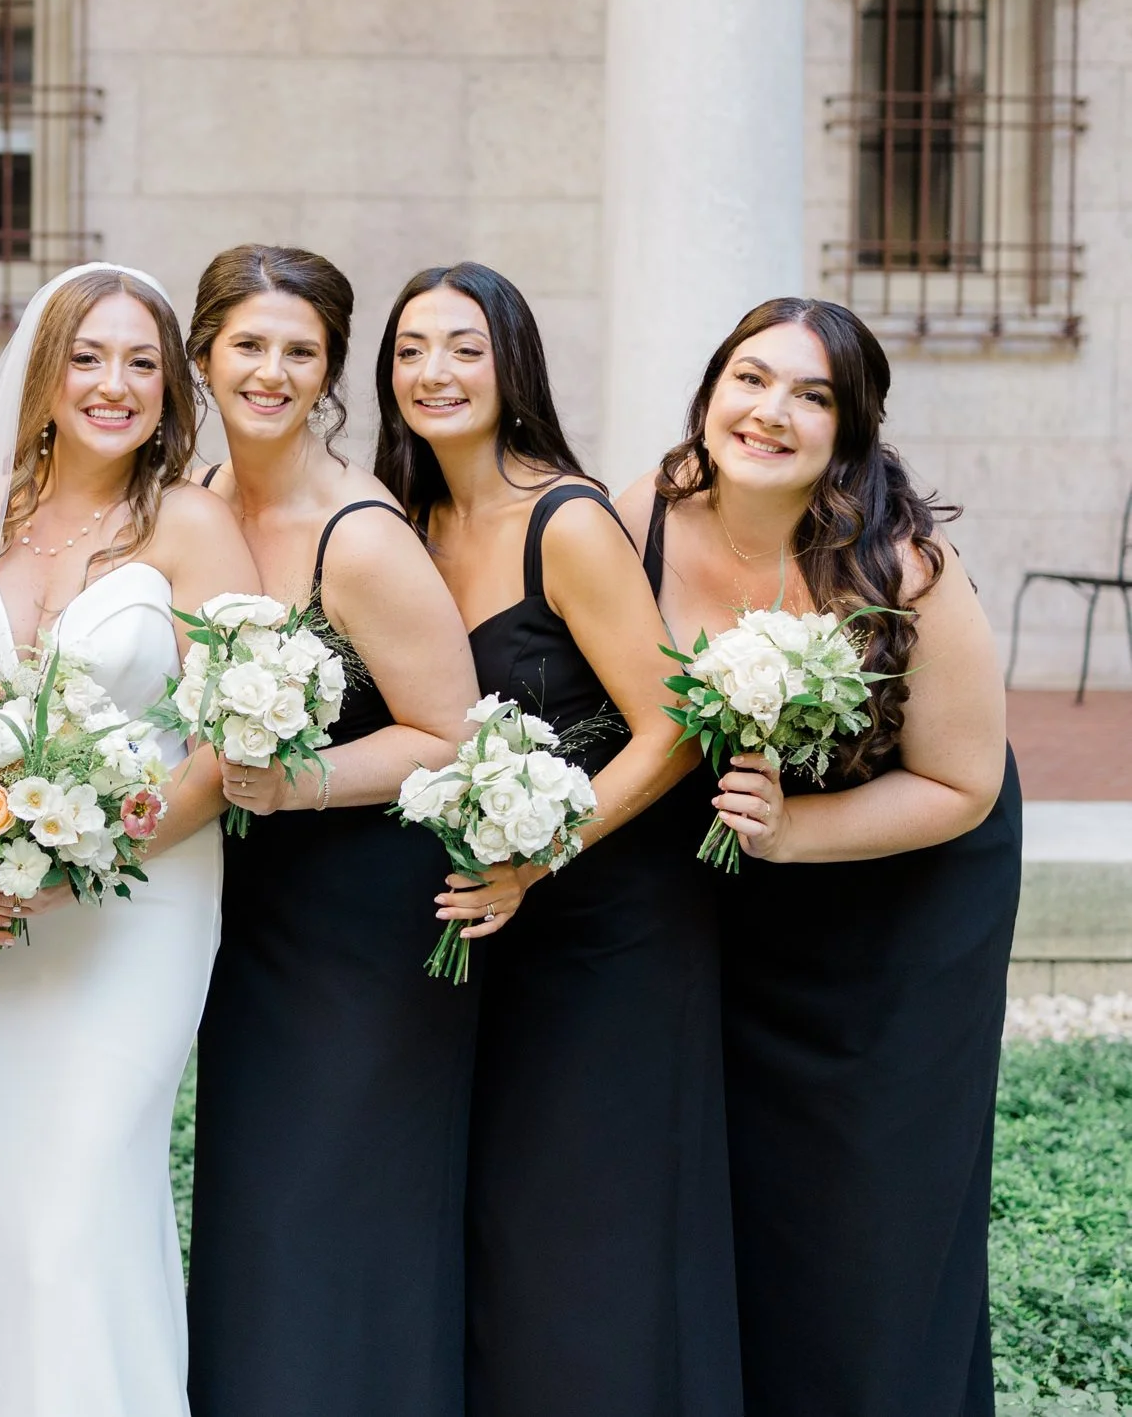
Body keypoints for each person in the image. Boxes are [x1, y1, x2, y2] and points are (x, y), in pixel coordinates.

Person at [617, 297, 1017, 1417]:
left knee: (869, 1210)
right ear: (709, 392)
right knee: (739, 1187)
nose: (770, 411)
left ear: (850, 428)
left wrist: (796, 832)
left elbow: (963, 783)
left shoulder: (905, 569)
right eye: (749, 378)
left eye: (811, 393)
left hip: (901, 896)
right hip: (730, 883)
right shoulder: (633, 513)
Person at [0, 262, 258, 1417]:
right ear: (42, 374)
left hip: (134, 912)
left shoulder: (194, 523)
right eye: (88, 357)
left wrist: (94, 853)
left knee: (75, 1205)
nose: (114, 384)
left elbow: (232, 743)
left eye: (141, 362)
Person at [376, 262, 738, 1417]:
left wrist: (546, 850)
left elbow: (674, 725)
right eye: (410, 349)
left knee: (590, 1228)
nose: (434, 371)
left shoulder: (565, 518)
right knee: (497, 1224)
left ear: (512, 364)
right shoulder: (401, 523)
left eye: (463, 346)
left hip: (605, 924)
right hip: (483, 923)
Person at [180, 246, 486, 1417]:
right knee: (258, 1208)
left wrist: (292, 781)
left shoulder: (358, 533)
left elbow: (449, 734)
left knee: (337, 1207)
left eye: (298, 351)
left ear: (329, 371)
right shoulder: (199, 504)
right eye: (247, 345)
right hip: (247, 915)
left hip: (361, 925)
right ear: (204, 355)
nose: (271, 370)